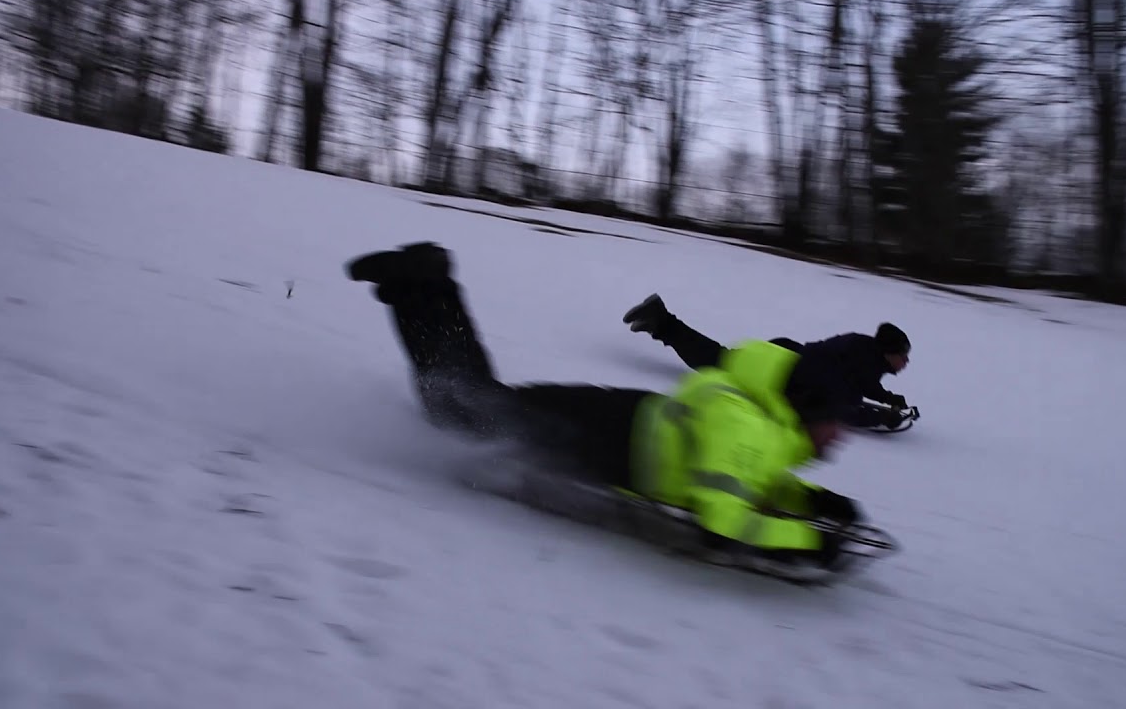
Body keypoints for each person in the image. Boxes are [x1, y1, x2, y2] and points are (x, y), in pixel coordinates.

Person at [345, 241, 864, 569]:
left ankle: (426, 284)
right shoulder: (746, 426)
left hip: (620, 420)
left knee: (479, 402)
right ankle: (420, 284)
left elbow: (751, 478)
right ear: (807, 407)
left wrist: (811, 500)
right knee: (459, 414)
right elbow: (722, 523)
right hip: (604, 438)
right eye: (835, 422)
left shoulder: (767, 422)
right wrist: (807, 540)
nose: (840, 435)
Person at [622, 293, 914, 430]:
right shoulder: (858, 362)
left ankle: (660, 321)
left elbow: (862, 384)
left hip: (784, 357)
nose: (906, 362)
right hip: (775, 372)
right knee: (715, 364)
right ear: (889, 352)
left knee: (718, 359)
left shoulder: (865, 352)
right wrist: (879, 418)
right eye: (903, 356)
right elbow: (840, 408)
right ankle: (660, 320)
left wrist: (887, 398)